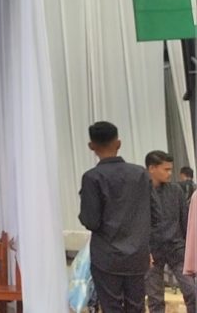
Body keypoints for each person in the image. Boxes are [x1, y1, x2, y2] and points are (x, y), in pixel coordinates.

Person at [79, 121, 157, 313]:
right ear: (119, 143)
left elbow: (91, 221)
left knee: (111, 307)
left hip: (106, 257)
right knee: (136, 306)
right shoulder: (141, 174)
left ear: (91, 146)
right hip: (137, 256)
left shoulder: (92, 177)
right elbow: (155, 213)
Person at [144, 150, 195, 313]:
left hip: (177, 247)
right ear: (152, 168)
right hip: (151, 251)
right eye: (166, 169)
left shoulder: (176, 191)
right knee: (155, 298)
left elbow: (185, 221)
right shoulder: (141, 193)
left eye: (171, 169)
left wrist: (190, 248)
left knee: (192, 291)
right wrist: (144, 249)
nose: (170, 173)